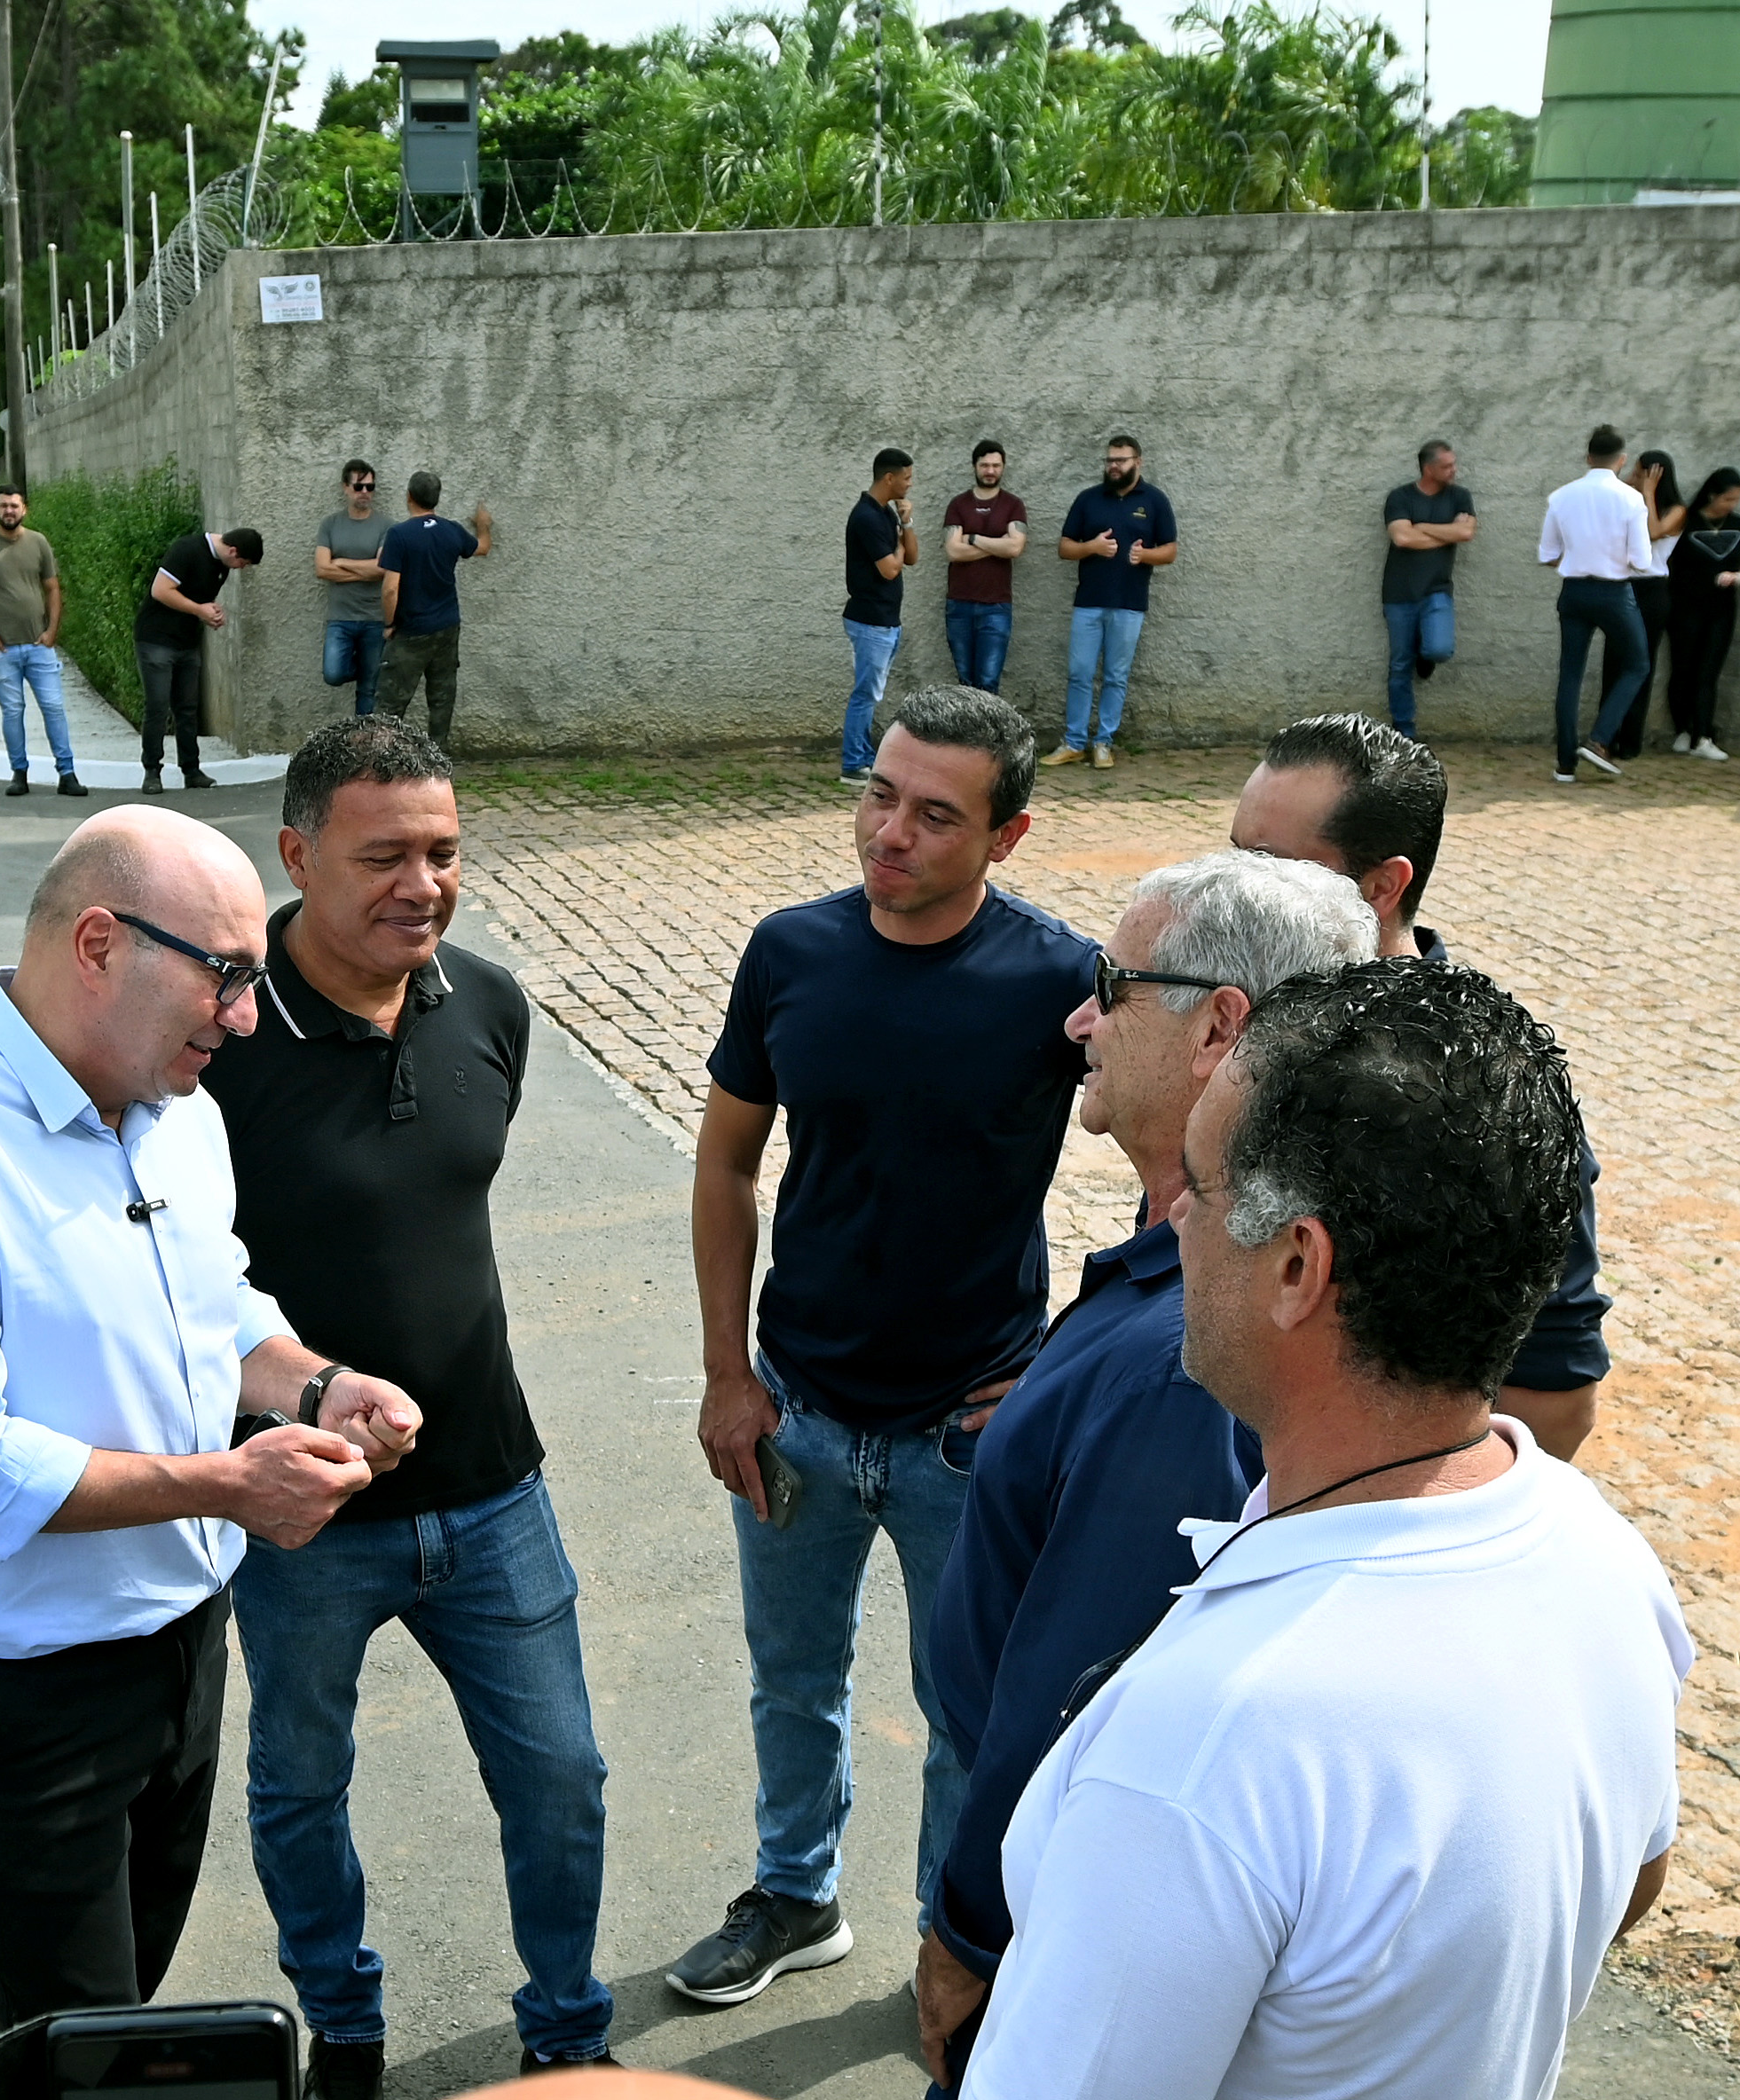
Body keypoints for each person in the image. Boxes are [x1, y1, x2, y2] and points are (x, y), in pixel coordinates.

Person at [964, 962, 1691, 2099]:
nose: (1176, 1221)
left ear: (1298, 1266)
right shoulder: (1603, 1561)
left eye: (1196, 1187)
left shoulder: (1202, 1751)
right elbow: (1632, 1882)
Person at [0, 805, 423, 2035]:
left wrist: (312, 1384)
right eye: (227, 975)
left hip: (184, 1642)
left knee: (119, 2002)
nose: (246, 1017)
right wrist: (227, 1484)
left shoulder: (180, 1109)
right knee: (72, 2032)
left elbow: (217, 1307)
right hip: (26, 1683)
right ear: (98, 941)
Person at [915, 851, 1376, 2090]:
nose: (1078, 1015)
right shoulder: (1182, 1273)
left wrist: (967, 1928)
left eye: (1109, 984)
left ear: (1218, 1027)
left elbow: (1080, 1681)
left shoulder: (1192, 1348)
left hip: (1050, 1871)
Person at [202, 720, 616, 2095]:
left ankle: (566, 2023)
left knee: (560, 1775)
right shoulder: (221, 1036)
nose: (421, 884)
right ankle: (347, 2021)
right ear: (296, 852)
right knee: (299, 1784)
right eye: (383, 856)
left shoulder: (487, 1003)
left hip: (495, 1490)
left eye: (442, 852)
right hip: (301, 1506)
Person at [676, 688, 1097, 2008]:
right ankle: (794, 1892)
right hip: (796, 1402)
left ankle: (947, 1935)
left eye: (933, 813)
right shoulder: (788, 951)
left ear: (1006, 833)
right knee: (791, 1677)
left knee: (965, 1710)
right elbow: (727, 1156)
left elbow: (1174, 1167)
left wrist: (1055, 1371)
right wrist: (726, 1372)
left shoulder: (1059, 975)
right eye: (878, 792)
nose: (889, 832)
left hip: (967, 1429)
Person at [1225, 714, 1614, 1459]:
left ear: (1382, 886)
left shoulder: (1479, 1094)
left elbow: (1554, 1402)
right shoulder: (1232, 1016)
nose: (1236, 893)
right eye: (1235, 855)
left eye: (1272, 868)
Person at [1048, 435, 1179, 771]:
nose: (1114, 466)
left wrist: (1144, 555)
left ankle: (1104, 742)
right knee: (1079, 673)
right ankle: (1074, 742)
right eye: (1110, 460)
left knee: (1116, 677)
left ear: (1138, 462)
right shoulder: (1088, 500)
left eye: (1121, 460)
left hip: (1129, 605)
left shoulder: (1155, 501)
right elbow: (1065, 547)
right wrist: (1090, 547)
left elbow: (1170, 551)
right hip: (1088, 603)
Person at [1537, 423, 1656, 783]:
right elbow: (1643, 561)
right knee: (1637, 663)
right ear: (1621, 460)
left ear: (1588, 457)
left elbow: (1547, 554)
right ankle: (1600, 738)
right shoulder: (1631, 499)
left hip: (1573, 591)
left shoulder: (1561, 496)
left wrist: (1579, 560)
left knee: (1570, 674)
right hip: (1614, 592)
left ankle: (1565, 764)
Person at [0, 484, 86, 798]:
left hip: (38, 646)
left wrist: (52, 631)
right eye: (4, 505)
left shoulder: (38, 543)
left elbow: (53, 588)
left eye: (14, 506)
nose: (9, 511)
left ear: (24, 509)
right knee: (13, 711)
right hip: (2, 650)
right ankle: (19, 773)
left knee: (54, 708)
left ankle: (67, 773)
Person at [135, 526, 265, 793]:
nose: (240, 568)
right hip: (156, 638)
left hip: (186, 641)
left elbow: (200, 599)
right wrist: (199, 610)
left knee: (187, 708)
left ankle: (191, 769)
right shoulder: (187, 549)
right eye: (242, 562)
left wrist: (212, 613)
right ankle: (152, 771)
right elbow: (161, 590)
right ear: (233, 550)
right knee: (158, 707)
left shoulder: (222, 566)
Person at [377, 469, 496, 749]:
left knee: (390, 703)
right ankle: (438, 764)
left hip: (411, 632)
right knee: (442, 699)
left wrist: (389, 624)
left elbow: (390, 589)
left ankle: (382, 763)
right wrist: (483, 524)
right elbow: (483, 548)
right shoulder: (452, 530)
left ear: (408, 496)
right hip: (447, 628)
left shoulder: (399, 534)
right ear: (437, 499)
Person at [1380, 440, 1476, 738]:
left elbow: (1466, 531)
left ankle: (1426, 654)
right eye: (1446, 466)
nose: (1454, 470)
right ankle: (1404, 730)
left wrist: (1420, 525)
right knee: (1399, 665)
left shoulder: (1460, 496)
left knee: (1439, 649)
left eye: (1453, 463)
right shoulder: (1400, 497)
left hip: (1437, 589)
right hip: (1399, 592)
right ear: (1428, 468)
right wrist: (1446, 533)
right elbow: (1403, 539)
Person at [842, 449, 919, 781]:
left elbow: (912, 557)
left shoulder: (886, 513)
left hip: (886, 620)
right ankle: (853, 763)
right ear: (889, 478)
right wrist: (899, 548)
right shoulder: (866, 517)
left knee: (871, 692)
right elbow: (890, 568)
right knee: (866, 693)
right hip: (870, 620)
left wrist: (907, 522)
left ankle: (863, 755)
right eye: (907, 477)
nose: (909, 484)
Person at [1615, 449, 1689, 759]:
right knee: (1615, 663)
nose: (1633, 477)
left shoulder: (1677, 510)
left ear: (1655, 476)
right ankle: (1607, 736)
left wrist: (1647, 493)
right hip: (1623, 586)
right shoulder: (1630, 503)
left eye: (1639, 472)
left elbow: (1653, 532)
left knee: (1639, 665)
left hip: (1653, 589)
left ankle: (1629, 741)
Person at [1664, 465, 1740, 759]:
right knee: (1682, 669)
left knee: (1707, 673)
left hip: (1720, 610)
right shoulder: (1687, 523)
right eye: (1727, 499)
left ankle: (1703, 736)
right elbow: (1666, 562)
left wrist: (1735, 577)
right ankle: (1683, 729)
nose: (1730, 506)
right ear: (1712, 495)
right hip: (1684, 608)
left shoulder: (1737, 526)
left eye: (1735, 501)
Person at [942, 441, 1027, 697]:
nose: (990, 470)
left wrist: (972, 538)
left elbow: (1015, 549)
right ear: (975, 467)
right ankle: (965, 738)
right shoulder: (959, 504)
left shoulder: (1013, 504)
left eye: (995, 465)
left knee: (989, 682)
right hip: (959, 605)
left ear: (1003, 468)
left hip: (996, 606)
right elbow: (952, 551)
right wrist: (997, 544)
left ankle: (987, 739)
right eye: (985, 465)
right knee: (965, 682)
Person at [318, 459, 391, 716]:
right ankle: (364, 665)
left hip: (374, 618)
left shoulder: (385, 526)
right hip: (341, 618)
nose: (365, 493)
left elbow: (382, 570)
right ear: (345, 488)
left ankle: (363, 744)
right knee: (333, 673)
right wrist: (365, 570)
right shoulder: (330, 525)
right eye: (359, 487)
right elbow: (322, 569)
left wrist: (341, 563)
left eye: (370, 488)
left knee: (368, 690)